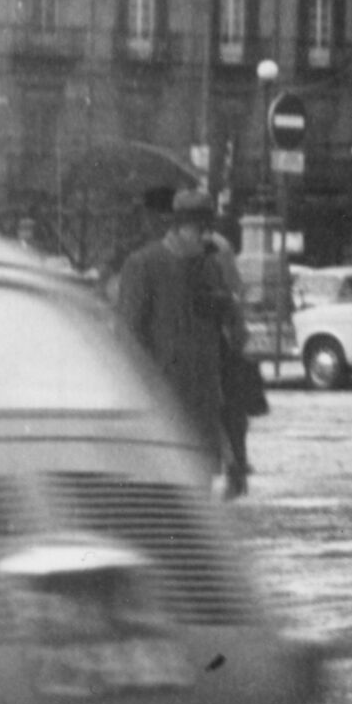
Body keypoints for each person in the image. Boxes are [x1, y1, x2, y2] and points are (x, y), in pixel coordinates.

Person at [113, 190, 229, 488]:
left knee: (198, 495)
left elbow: (221, 338)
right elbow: (127, 337)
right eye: (198, 230)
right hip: (163, 407)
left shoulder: (210, 268)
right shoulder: (143, 265)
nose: (205, 238)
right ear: (178, 229)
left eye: (208, 231)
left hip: (202, 409)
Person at [201, 228, 267, 495]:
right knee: (230, 416)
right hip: (224, 352)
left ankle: (233, 468)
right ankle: (235, 467)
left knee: (225, 414)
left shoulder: (211, 250)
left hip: (217, 354)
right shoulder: (219, 247)